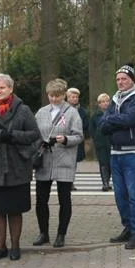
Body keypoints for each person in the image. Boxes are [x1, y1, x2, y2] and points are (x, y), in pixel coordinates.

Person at [0, 73, 40, 261]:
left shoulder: (23, 110)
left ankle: (15, 246)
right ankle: (0, 246)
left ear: (11, 89)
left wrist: (13, 135)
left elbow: (34, 134)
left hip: (16, 166)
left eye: (3, 87)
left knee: (15, 209)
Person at [98, 64, 135, 250]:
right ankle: (127, 227)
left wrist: (110, 119)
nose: (120, 82)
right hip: (115, 153)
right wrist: (113, 120)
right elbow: (101, 125)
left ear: (132, 80)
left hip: (132, 153)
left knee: (133, 194)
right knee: (120, 195)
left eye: (124, 79)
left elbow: (129, 119)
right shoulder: (114, 100)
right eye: (118, 79)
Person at [32, 78, 82, 248]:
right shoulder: (41, 112)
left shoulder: (72, 113)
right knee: (41, 199)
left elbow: (79, 136)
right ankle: (43, 232)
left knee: (64, 199)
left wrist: (65, 139)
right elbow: (34, 133)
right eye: (51, 96)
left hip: (64, 160)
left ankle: (61, 234)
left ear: (64, 95)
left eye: (57, 96)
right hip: (45, 160)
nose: (54, 99)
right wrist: (40, 143)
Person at [90, 93, 112, 191]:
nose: (105, 104)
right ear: (99, 104)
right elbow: (91, 130)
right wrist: (96, 138)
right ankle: (105, 183)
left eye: (107, 101)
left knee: (111, 163)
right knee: (103, 163)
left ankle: (108, 179)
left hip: (111, 142)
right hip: (101, 143)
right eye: (102, 102)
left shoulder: (113, 114)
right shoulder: (95, 116)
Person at [67, 87, 87, 190]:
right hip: (66, 139)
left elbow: (86, 125)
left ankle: (71, 182)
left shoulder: (82, 111)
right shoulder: (64, 109)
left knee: (73, 162)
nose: (75, 99)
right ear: (68, 98)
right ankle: (66, 182)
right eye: (72, 97)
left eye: (76, 97)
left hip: (77, 139)